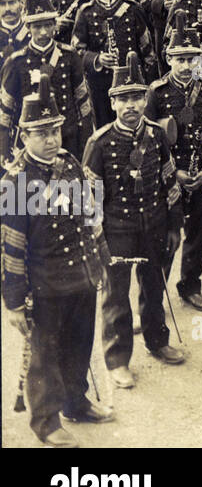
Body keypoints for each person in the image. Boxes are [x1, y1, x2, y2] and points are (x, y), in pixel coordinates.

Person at [2, 76, 114, 447]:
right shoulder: (16, 181)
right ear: (25, 137)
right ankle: (46, 422)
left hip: (80, 276)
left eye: (55, 131)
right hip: (44, 286)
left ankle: (76, 403)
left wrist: (100, 262)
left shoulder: (69, 163)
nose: (51, 140)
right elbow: (12, 248)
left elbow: (89, 216)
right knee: (45, 357)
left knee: (79, 345)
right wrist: (15, 302)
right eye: (41, 133)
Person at [83, 51, 187, 390]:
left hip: (155, 225)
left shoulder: (157, 135)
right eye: (122, 98)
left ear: (145, 100)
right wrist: (96, 242)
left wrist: (174, 226)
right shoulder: (99, 143)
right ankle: (117, 360)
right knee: (115, 297)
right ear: (112, 103)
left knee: (154, 287)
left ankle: (157, 342)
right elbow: (90, 201)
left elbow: (170, 183)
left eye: (136, 97)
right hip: (117, 232)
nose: (130, 105)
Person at [145, 20, 202, 312]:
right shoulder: (157, 91)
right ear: (169, 58)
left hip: (201, 171)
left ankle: (190, 286)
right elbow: (149, 138)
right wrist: (172, 173)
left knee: (198, 233)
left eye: (191, 59)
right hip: (169, 175)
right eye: (180, 59)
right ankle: (153, 298)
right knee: (168, 236)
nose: (186, 65)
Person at [0, 0, 93, 163]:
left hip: (67, 136)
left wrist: (86, 142)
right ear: (28, 27)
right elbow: (5, 112)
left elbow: (83, 103)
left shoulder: (69, 56)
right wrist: (4, 150)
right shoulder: (15, 62)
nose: (43, 32)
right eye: (37, 26)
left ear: (55, 26)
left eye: (48, 25)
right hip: (31, 141)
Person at [71, 0, 156, 128]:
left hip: (132, 82)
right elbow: (76, 51)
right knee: (105, 127)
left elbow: (148, 51)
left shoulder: (132, 8)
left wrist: (149, 83)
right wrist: (97, 59)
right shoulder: (85, 12)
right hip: (100, 85)